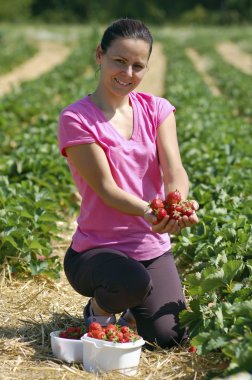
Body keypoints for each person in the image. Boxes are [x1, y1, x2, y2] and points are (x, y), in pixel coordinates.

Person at [58, 18, 199, 349]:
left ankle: (135, 313)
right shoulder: (76, 119)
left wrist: (177, 205)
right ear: (99, 55)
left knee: (172, 338)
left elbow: (174, 169)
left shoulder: (157, 109)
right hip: (97, 251)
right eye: (119, 61)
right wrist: (152, 210)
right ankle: (99, 310)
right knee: (131, 280)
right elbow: (107, 189)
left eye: (138, 65)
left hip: (150, 248)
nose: (128, 73)